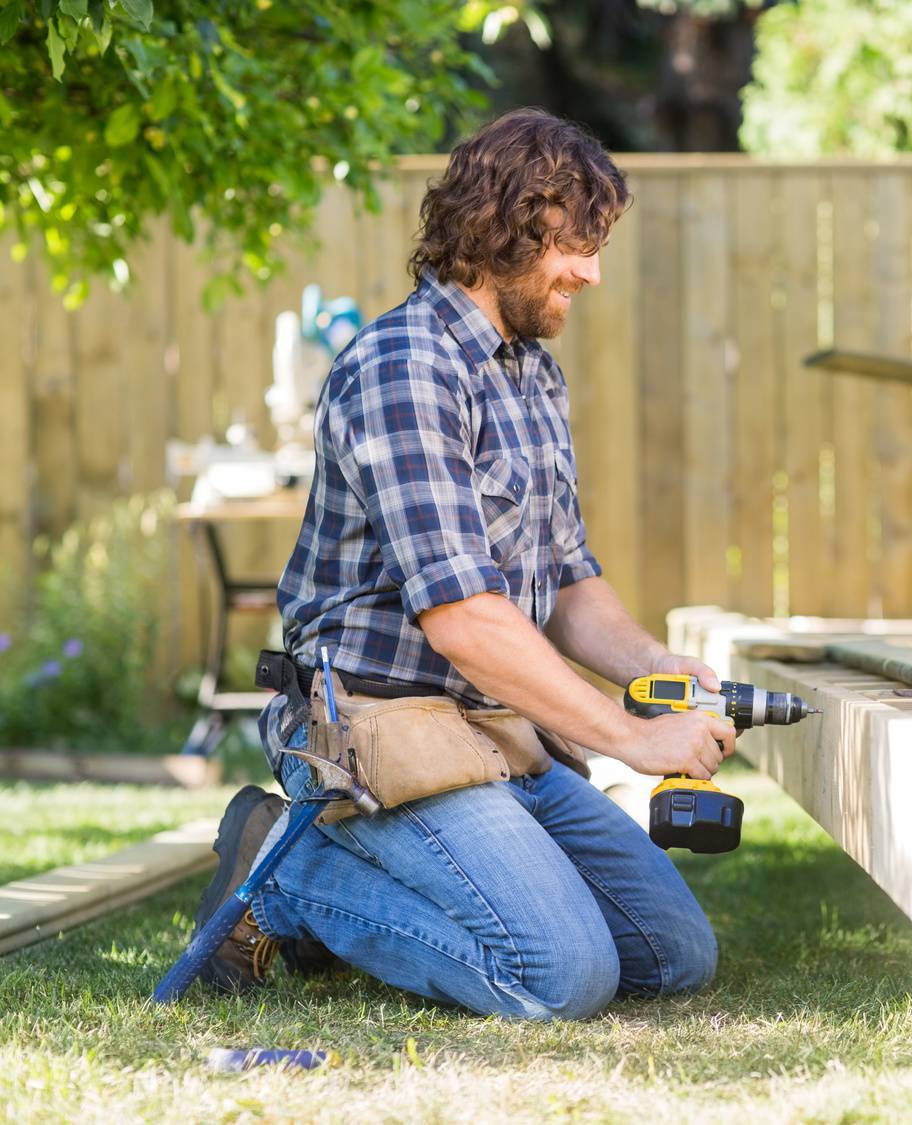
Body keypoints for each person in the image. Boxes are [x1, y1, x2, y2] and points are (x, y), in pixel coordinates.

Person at [183, 109, 732, 1020]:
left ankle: (341, 879)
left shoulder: (531, 373)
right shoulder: (405, 366)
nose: (591, 272)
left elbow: (566, 582)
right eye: (575, 245)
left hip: (494, 732)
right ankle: (286, 870)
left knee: (672, 953)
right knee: (563, 974)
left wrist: (653, 669)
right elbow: (465, 620)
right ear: (504, 226)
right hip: (376, 725)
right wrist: (634, 741)